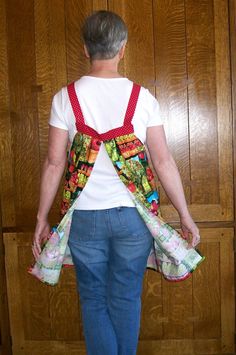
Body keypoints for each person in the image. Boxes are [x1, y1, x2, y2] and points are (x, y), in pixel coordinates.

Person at [32, 10, 200, 355]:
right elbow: (163, 160)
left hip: (85, 220)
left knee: (92, 298)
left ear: (85, 49)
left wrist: (41, 218)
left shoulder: (65, 98)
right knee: (126, 296)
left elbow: (53, 162)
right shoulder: (143, 98)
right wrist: (185, 214)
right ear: (122, 48)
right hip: (131, 219)